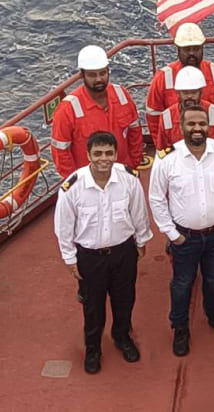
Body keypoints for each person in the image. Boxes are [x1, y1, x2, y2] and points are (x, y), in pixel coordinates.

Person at [54, 131, 152, 374]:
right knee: (93, 306)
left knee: (125, 300)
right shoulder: (72, 187)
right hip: (90, 257)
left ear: (116, 154)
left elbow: (138, 212)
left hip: (123, 253)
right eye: (97, 153)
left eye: (109, 153)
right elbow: (64, 227)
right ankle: (93, 348)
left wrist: (141, 241)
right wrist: (69, 258)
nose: (103, 159)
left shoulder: (128, 180)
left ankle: (121, 336)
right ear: (88, 155)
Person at [147, 105, 214, 356]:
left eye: (201, 124)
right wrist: (171, 234)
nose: (197, 129)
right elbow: (156, 198)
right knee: (182, 283)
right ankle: (180, 327)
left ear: (208, 126)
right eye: (191, 124)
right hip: (184, 237)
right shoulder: (167, 159)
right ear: (181, 126)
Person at [51, 46, 145, 179]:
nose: (99, 79)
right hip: (89, 182)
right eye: (92, 75)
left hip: (123, 174)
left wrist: (132, 164)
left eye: (102, 73)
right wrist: (77, 183)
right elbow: (61, 153)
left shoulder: (122, 95)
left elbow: (134, 131)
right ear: (82, 75)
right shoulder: (68, 109)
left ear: (108, 71)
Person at [145, 22, 214, 145]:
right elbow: (154, 118)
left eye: (196, 48)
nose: (191, 53)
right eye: (187, 49)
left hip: (211, 143)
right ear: (178, 49)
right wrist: (165, 149)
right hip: (176, 143)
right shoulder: (163, 78)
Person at [155, 65, 214, 149]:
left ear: (201, 92)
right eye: (185, 93)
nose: (190, 96)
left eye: (193, 92)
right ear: (178, 93)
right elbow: (161, 149)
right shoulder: (166, 117)